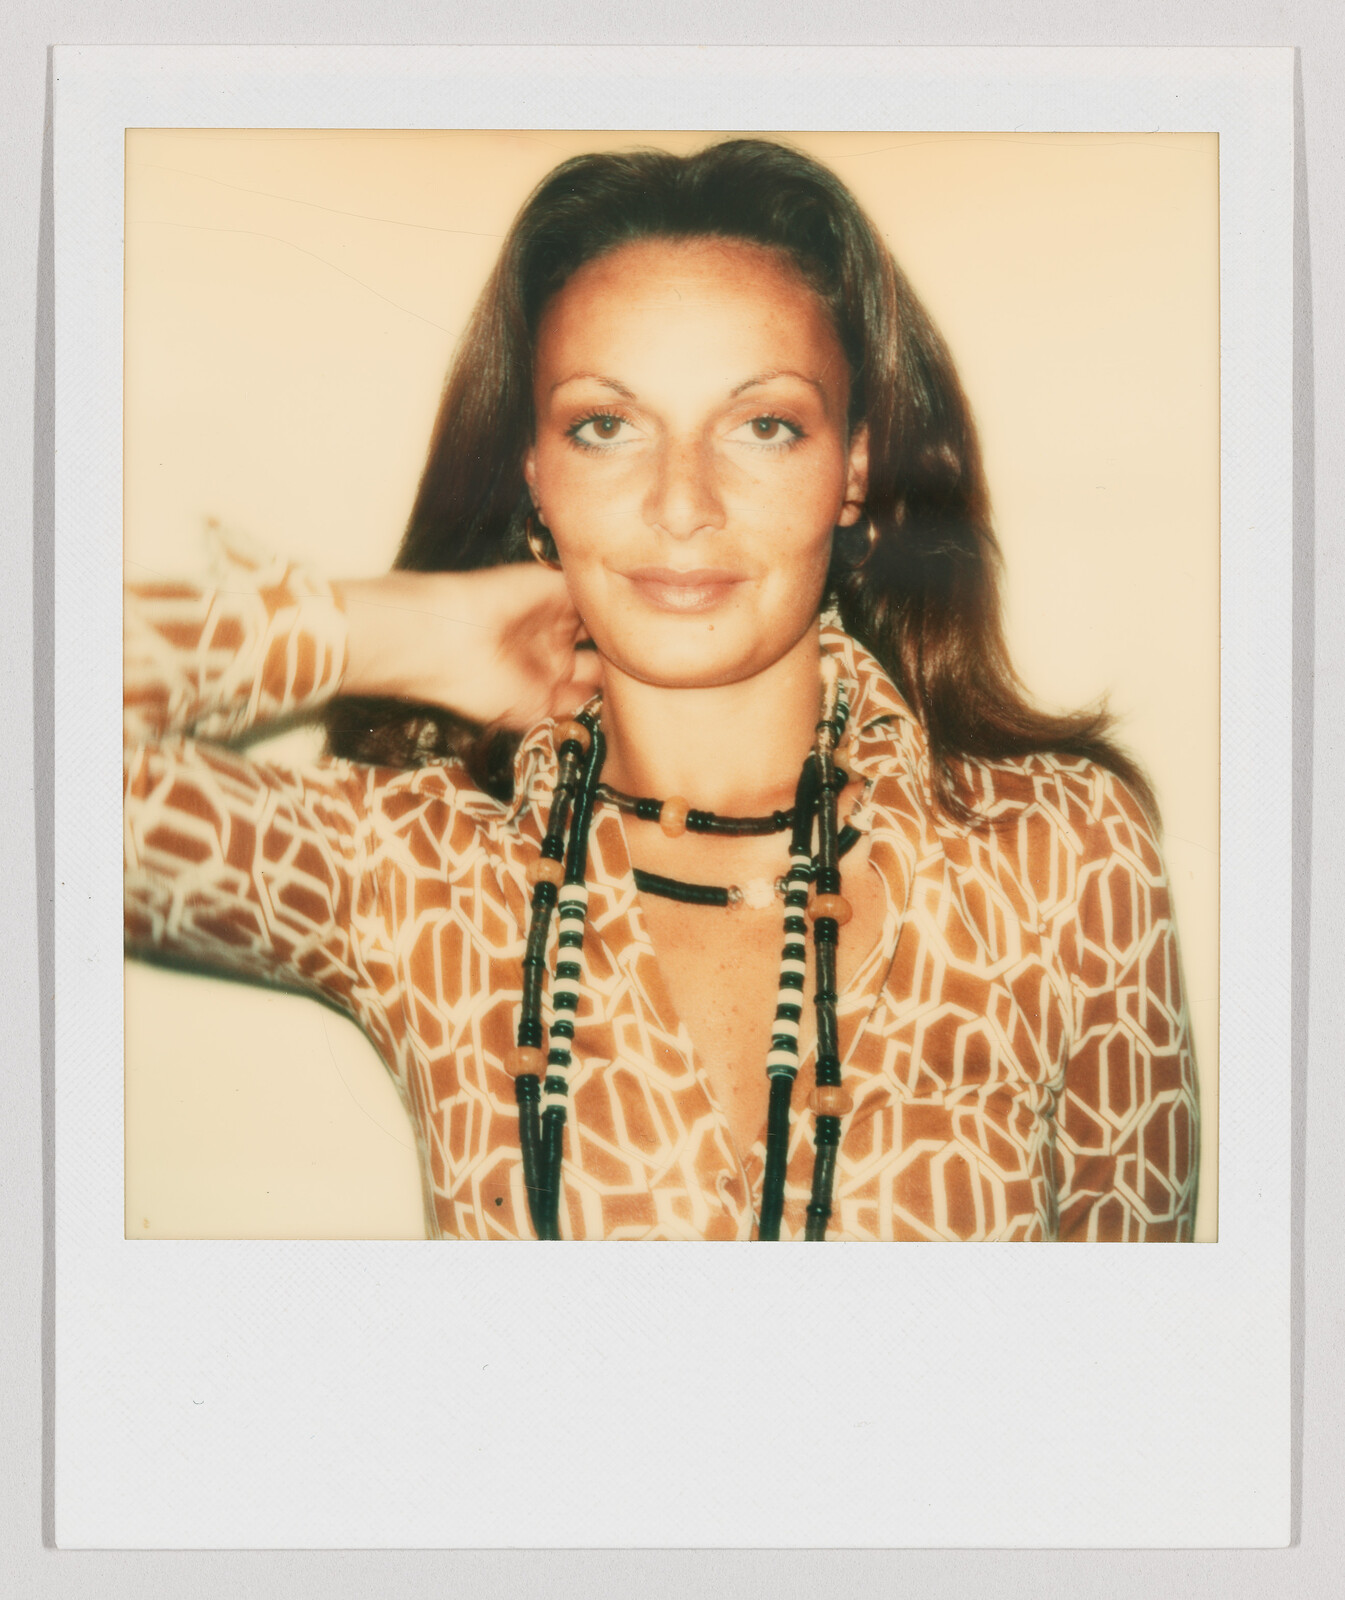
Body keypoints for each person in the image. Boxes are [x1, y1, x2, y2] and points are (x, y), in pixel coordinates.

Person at [124, 138, 1200, 1242]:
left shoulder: (1065, 855)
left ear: (856, 467)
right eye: (606, 425)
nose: (682, 503)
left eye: (762, 424)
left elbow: (1141, 1368)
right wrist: (394, 629)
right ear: (535, 475)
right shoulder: (416, 876)